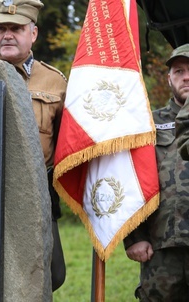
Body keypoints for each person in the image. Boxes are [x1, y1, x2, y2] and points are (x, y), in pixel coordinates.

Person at [0, 0, 67, 291]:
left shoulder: (55, 82)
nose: (7, 35)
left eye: (16, 28)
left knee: (52, 273)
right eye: (0, 28)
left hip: (36, 193)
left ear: (33, 33)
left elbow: (66, 144)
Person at [124, 43, 189, 301]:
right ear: (169, 78)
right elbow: (129, 179)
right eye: (179, 71)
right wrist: (134, 238)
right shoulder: (147, 124)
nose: (186, 77)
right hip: (160, 249)